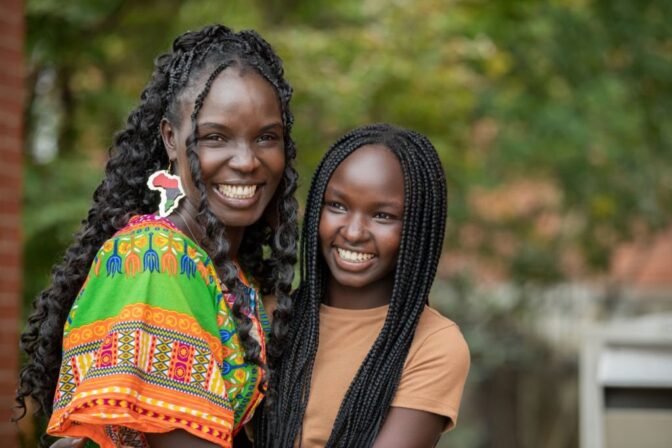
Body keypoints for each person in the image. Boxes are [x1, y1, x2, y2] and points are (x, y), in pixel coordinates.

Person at [16, 24, 298, 448]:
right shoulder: (155, 259)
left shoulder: (227, 274)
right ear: (171, 138)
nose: (247, 161)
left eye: (266, 138)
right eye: (215, 137)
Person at [255, 124, 470, 448]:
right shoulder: (267, 316)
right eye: (338, 206)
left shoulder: (432, 345)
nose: (354, 232)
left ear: (416, 227)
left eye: (382, 216)